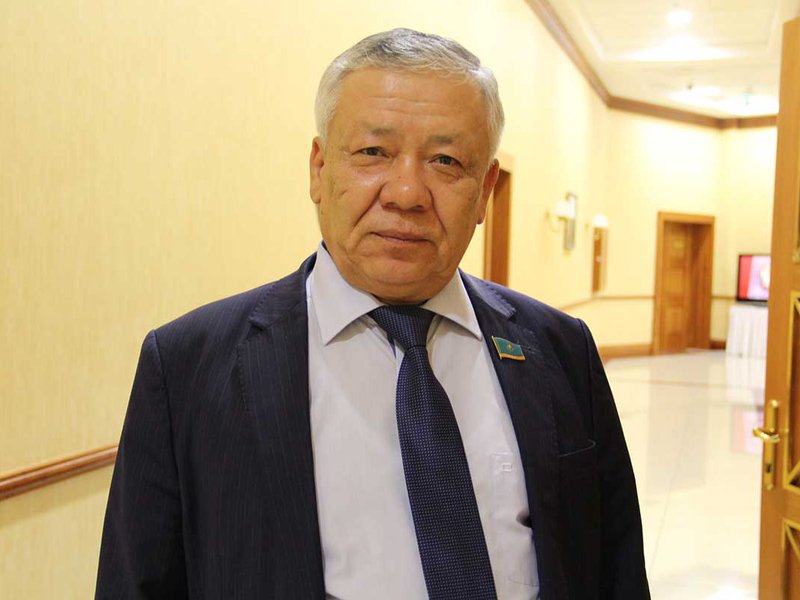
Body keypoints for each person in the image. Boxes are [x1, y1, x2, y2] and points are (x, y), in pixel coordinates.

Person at [96, 28, 649, 600]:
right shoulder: (187, 367)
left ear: (485, 190)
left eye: (445, 160)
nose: (406, 193)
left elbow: (615, 572)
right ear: (319, 170)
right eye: (372, 153)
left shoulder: (560, 349)